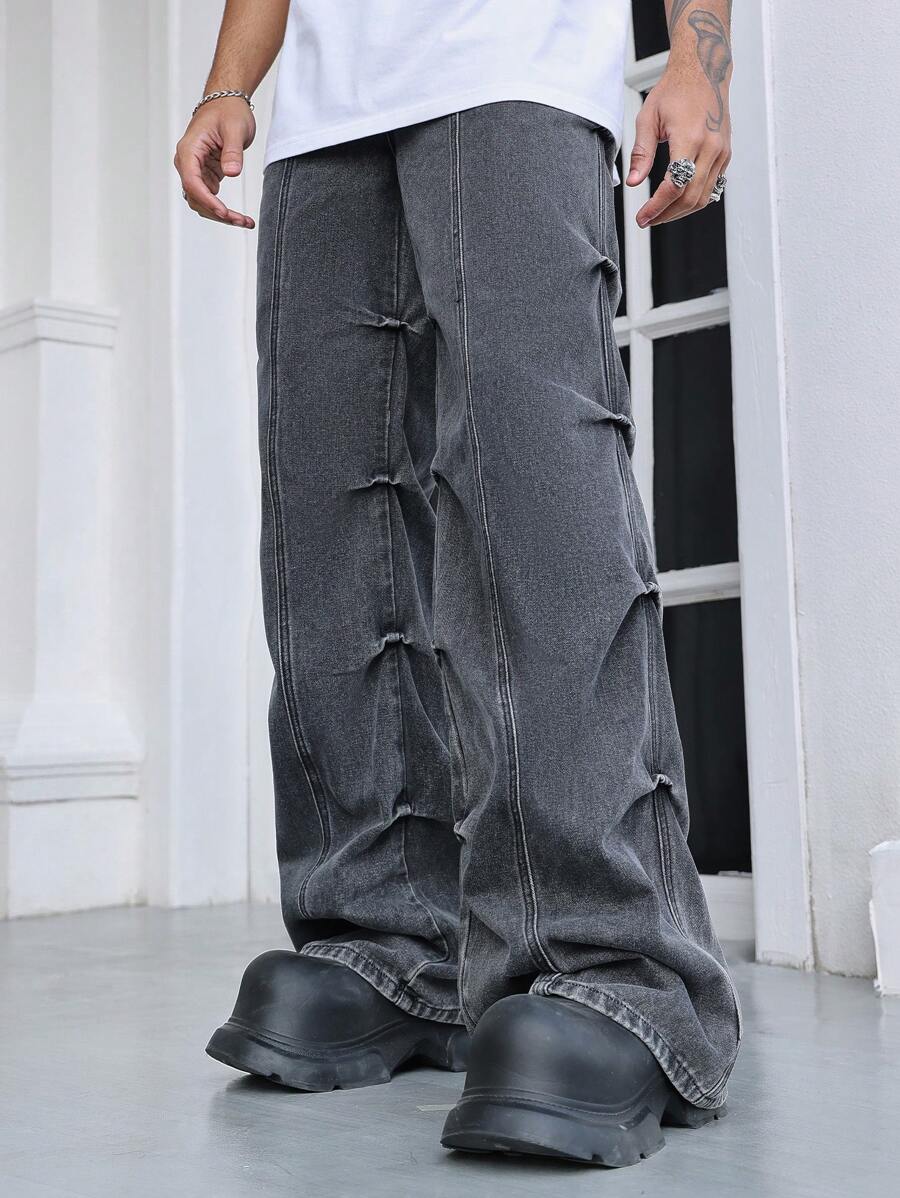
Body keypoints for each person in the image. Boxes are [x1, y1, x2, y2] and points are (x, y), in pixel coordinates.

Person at [174, 0, 738, 1167]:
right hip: (325, 113)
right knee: (328, 513)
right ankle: (393, 940)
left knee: (531, 492)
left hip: (515, 63)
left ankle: (618, 963)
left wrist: (696, 57)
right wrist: (231, 84)